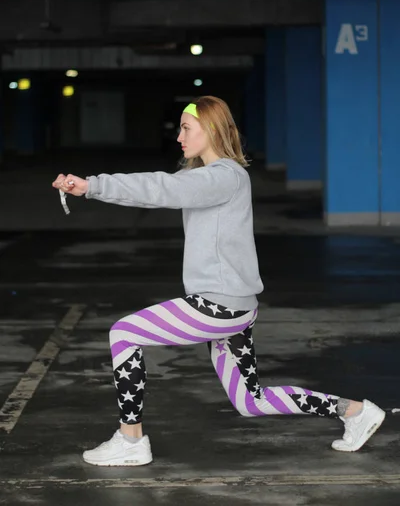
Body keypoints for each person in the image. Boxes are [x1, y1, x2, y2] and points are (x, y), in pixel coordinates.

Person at [52, 96, 385, 467]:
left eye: (186, 128)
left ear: (210, 130)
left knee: (124, 334)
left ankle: (131, 439)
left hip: (219, 306)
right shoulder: (208, 178)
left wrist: (93, 186)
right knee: (251, 401)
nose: (179, 136)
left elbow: (159, 188)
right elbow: (158, 190)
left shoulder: (223, 176)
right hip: (233, 307)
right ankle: (355, 412)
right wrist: (93, 189)